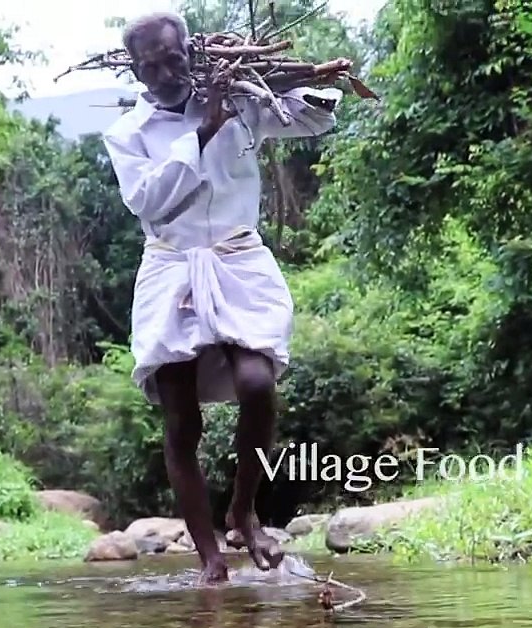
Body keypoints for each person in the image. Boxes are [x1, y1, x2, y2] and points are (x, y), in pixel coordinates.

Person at [101, 11, 347, 584]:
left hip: (239, 260)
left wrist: (287, 79)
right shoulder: (128, 133)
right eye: (151, 66)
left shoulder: (236, 100)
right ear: (136, 72)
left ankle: (243, 510)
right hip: (171, 268)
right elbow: (149, 202)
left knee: (258, 383)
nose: (166, 74)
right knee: (181, 419)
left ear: (193, 52)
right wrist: (203, 133)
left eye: (174, 59)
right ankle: (209, 554)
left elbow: (315, 119)